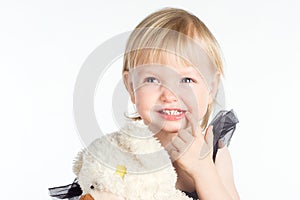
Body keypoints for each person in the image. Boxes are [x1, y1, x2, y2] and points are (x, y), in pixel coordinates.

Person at [49, 7, 239, 200]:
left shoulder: (215, 155)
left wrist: (203, 170)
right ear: (131, 87)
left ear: (211, 88)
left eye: (187, 80)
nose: (170, 95)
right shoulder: (120, 152)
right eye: (153, 80)